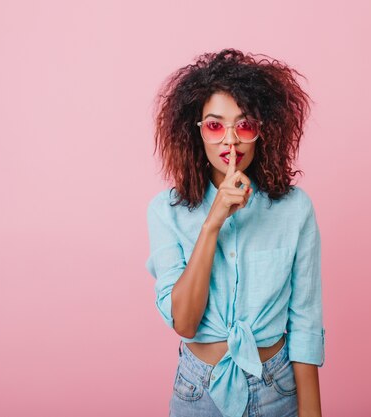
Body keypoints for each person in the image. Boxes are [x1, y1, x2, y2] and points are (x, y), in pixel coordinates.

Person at [146, 48, 325, 417]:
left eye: (244, 125)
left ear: (264, 131)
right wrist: (213, 222)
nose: (231, 140)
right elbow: (185, 322)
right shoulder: (166, 212)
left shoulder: (295, 210)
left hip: (276, 387)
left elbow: (305, 323)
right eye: (215, 125)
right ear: (195, 132)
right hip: (198, 391)